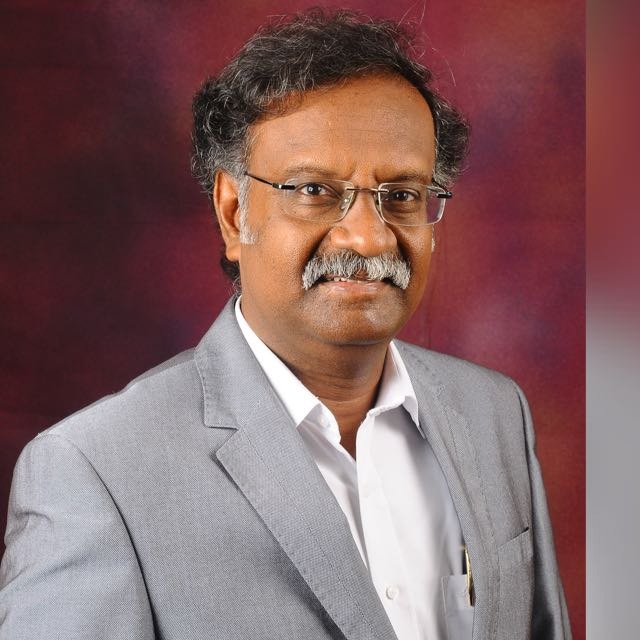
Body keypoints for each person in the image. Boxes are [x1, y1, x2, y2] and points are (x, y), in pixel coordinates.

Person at [0, 9, 571, 640]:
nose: (367, 236)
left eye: (402, 195)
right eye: (314, 191)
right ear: (232, 212)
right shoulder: (96, 472)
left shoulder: (494, 415)